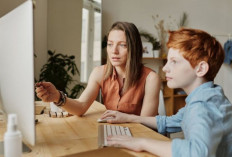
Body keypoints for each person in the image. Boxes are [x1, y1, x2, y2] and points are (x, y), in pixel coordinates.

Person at [101, 28, 232, 157]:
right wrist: (128, 118)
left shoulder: (203, 105)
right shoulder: (207, 95)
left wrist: (142, 143)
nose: (165, 68)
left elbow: (196, 153)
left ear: (201, 68)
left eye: (174, 61)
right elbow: (171, 122)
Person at [35, 21, 161, 117]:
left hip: (140, 138)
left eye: (122, 45)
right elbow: (81, 107)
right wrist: (57, 96)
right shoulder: (99, 72)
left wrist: (122, 120)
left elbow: (147, 124)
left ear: (134, 48)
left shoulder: (151, 78)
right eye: (110, 44)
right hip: (113, 133)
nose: (114, 51)